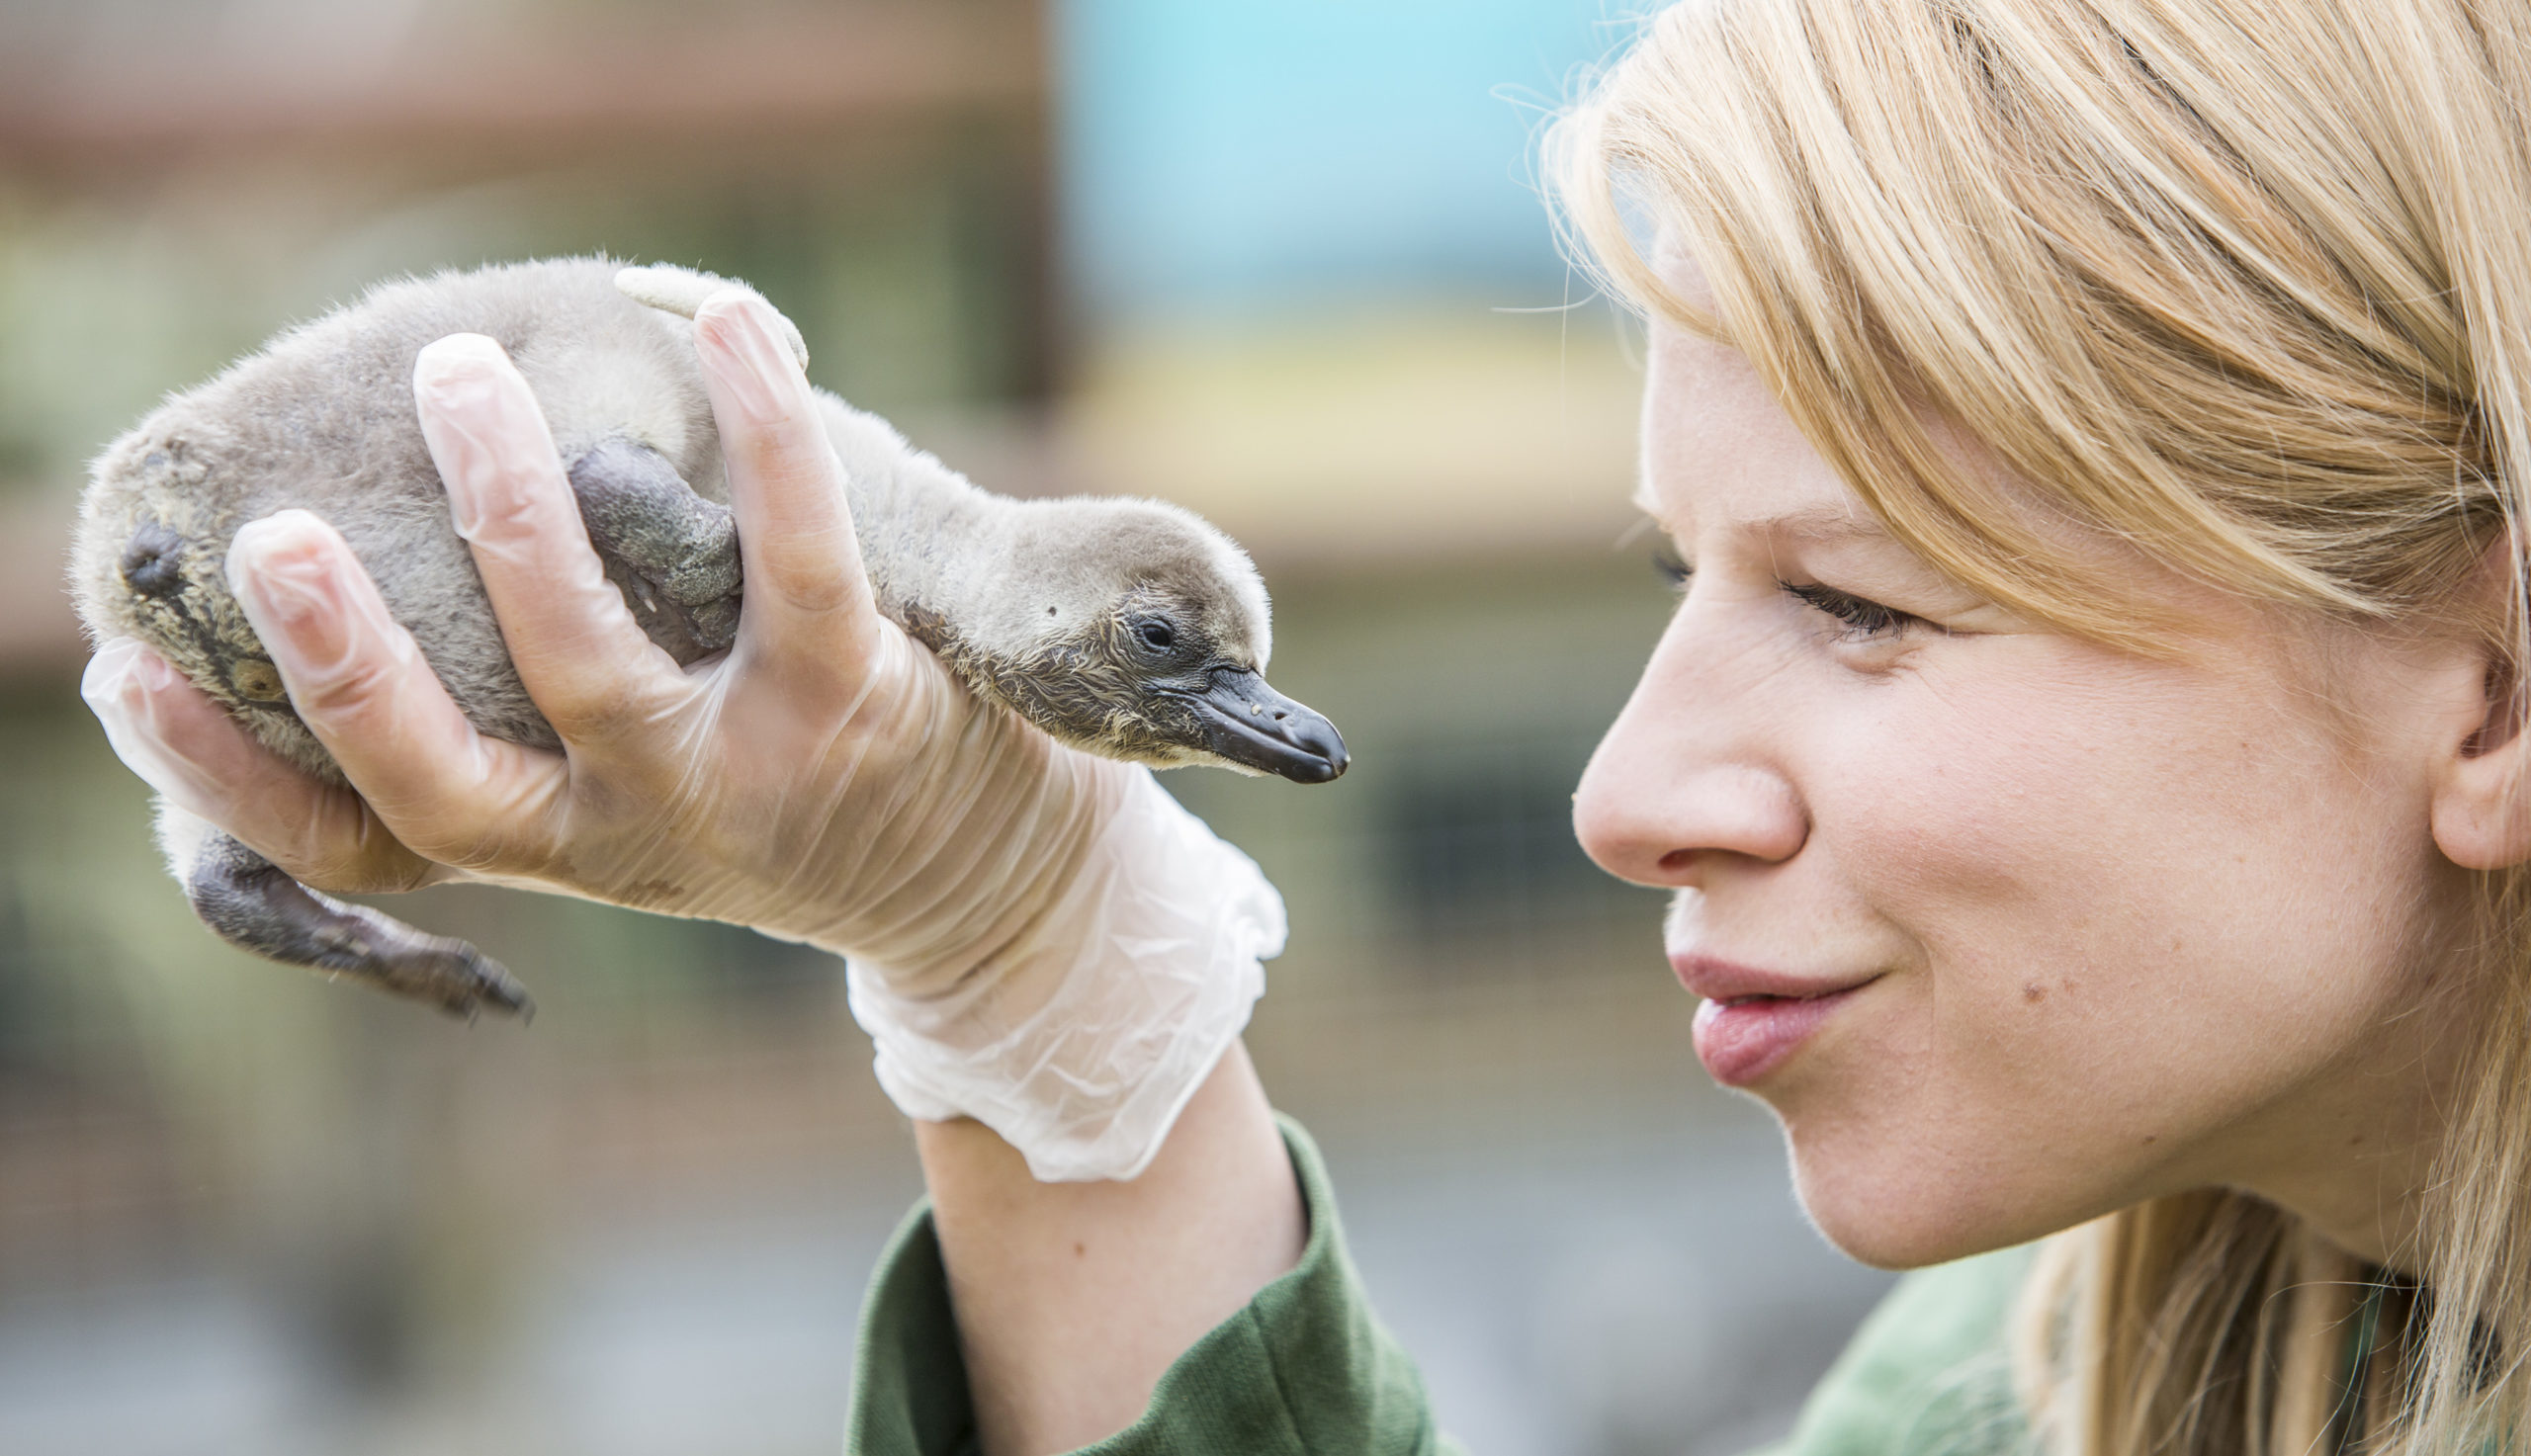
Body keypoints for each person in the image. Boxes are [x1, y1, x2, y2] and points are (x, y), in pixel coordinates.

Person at [74, 0, 2531, 1450]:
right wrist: (1014, 938)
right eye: (1686, 575)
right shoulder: (2041, 1367)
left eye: (1863, 603)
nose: (1619, 795)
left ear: (2487, 689)